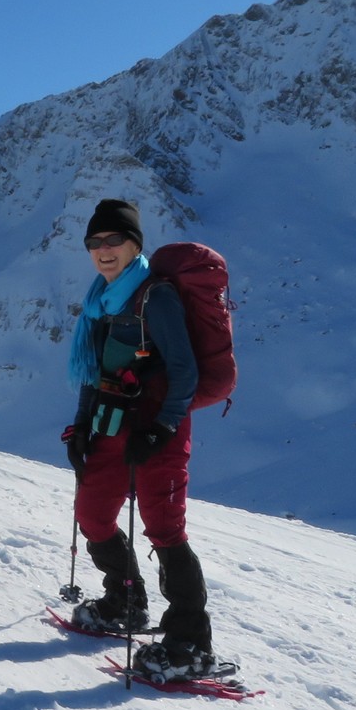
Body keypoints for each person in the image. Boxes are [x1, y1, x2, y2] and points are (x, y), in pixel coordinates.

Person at [61, 198, 220, 683]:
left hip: (158, 433)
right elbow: (95, 372)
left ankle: (190, 644)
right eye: (95, 242)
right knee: (92, 513)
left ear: (134, 245)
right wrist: (81, 425)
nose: (103, 250)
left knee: (165, 530)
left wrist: (163, 427)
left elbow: (184, 372)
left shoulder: (157, 297)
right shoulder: (100, 301)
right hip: (111, 426)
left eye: (114, 240)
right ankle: (124, 599)